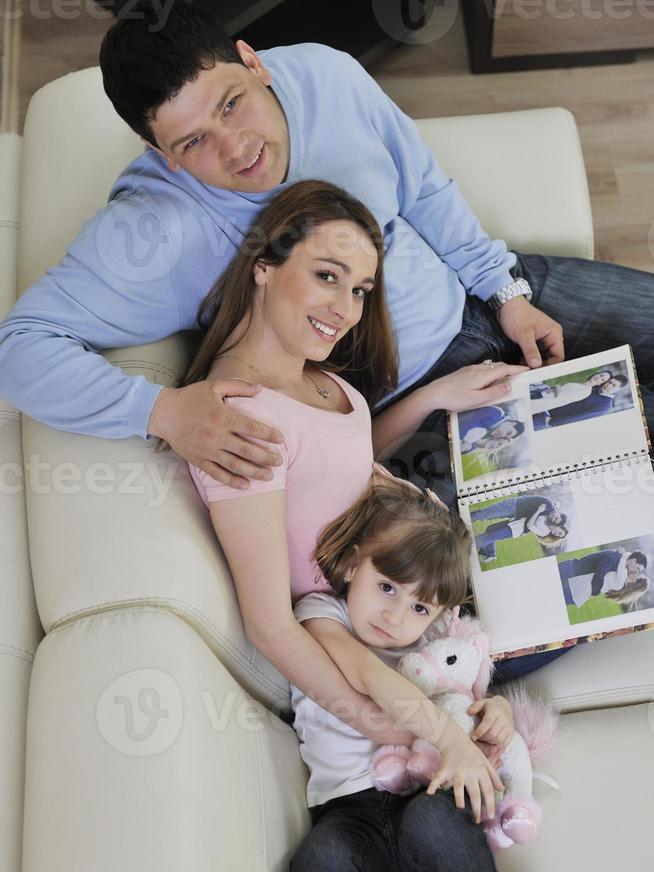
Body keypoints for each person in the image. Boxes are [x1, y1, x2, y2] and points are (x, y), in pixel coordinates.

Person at [3, 0, 653, 678]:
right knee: (630, 468)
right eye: (191, 142)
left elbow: (424, 187)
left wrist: (506, 292)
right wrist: (160, 411)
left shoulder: (325, 76)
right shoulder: (155, 235)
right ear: (159, 156)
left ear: (254, 63)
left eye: (231, 104)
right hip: (416, 417)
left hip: (479, 299)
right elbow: (19, 348)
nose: (234, 148)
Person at [182, 179, 515, 834]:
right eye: (328, 276)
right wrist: (380, 723)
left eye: (359, 289)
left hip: (424, 528)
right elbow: (272, 624)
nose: (345, 308)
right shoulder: (238, 419)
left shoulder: (321, 376)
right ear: (263, 269)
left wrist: (437, 396)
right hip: (397, 609)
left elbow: (349, 462)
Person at [281, 470, 546, 872]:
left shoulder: (438, 642)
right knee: (317, 868)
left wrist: (500, 712)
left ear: (441, 613)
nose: (394, 616)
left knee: (438, 823)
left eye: (419, 606)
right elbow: (367, 676)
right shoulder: (321, 614)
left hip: (426, 793)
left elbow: (467, 698)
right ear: (355, 562)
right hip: (348, 812)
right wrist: (451, 740)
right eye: (385, 587)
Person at [472, 494, 568, 562]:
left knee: (490, 532)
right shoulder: (548, 506)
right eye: (556, 518)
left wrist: (526, 528)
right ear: (558, 512)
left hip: (517, 525)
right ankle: (490, 553)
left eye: (555, 521)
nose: (554, 519)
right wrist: (555, 508)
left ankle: (469, 544)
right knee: (488, 525)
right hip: (514, 507)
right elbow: (555, 505)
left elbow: (529, 525)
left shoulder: (545, 527)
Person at [558, 547, 648, 608]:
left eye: (638, 571)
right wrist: (595, 592)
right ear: (633, 560)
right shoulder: (615, 558)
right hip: (569, 575)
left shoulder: (620, 566)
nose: (635, 572)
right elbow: (597, 581)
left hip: (575, 587)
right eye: (637, 568)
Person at [533, 373, 629, 430]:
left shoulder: (605, 406)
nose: (609, 385)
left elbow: (579, 418)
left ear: (618, 390)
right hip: (544, 406)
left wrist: (552, 422)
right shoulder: (595, 389)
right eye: (609, 382)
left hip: (545, 418)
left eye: (614, 385)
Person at [529, 368, 612, 412]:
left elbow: (560, 397)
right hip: (542, 396)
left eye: (602, 380)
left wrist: (557, 386)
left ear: (600, 384)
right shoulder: (582, 385)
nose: (599, 378)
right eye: (601, 375)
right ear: (597, 373)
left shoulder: (586, 391)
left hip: (541, 402)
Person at [459, 405, 525, 454]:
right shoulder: (496, 413)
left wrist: (468, 447)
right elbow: (467, 423)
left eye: (505, 436)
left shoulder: (492, 430)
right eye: (508, 432)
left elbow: (473, 445)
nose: (502, 435)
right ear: (511, 423)